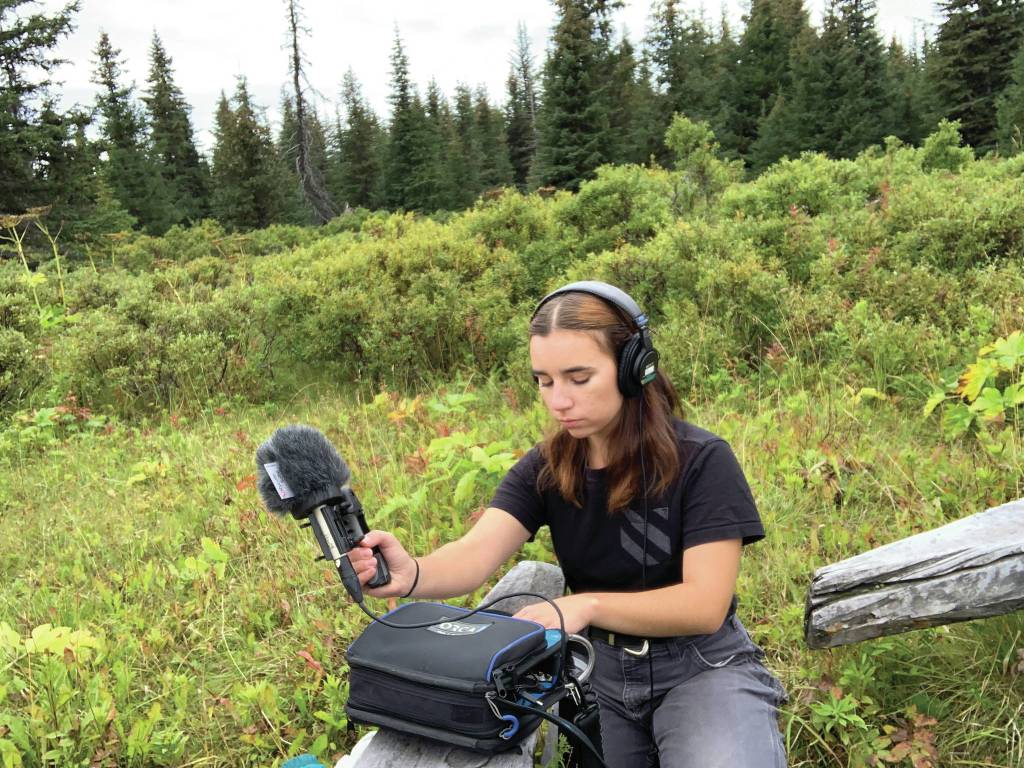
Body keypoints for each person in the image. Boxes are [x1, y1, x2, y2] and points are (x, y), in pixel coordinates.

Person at [348, 281, 788, 767]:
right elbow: (475, 553)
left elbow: (704, 605)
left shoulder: (702, 461)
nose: (559, 401)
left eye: (579, 378)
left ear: (633, 368)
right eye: (545, 381)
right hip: (603, 674)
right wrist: (410, 572)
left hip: (702, 667)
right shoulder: (548, 467)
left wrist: (586, 604)